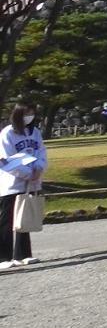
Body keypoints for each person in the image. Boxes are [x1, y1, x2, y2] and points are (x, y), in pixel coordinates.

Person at [1, 103, 49, 268]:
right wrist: (28, 173)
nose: (29, 116)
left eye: (32, 113)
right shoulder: (8, 133)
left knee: (24, 218)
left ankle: (23, 254)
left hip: (32, 182)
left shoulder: (35, 132)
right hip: (11, 183)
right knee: (7, 221)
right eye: (26, 113)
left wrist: (39, 168)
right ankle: (4, 257)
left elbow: (41, 152)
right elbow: (5, 160)